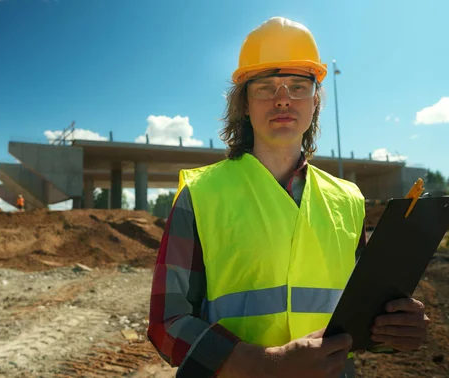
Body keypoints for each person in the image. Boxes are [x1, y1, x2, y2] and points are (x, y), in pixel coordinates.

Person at [147, 17, 430, 378]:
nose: (283, 99)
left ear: (315, 102)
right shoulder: (201, 194)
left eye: (298, 86)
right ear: (245, 104)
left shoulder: (348, 199)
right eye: (265, 87)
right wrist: (261, 363)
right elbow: (166, 323)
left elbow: (357, 311)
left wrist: (395, 328)